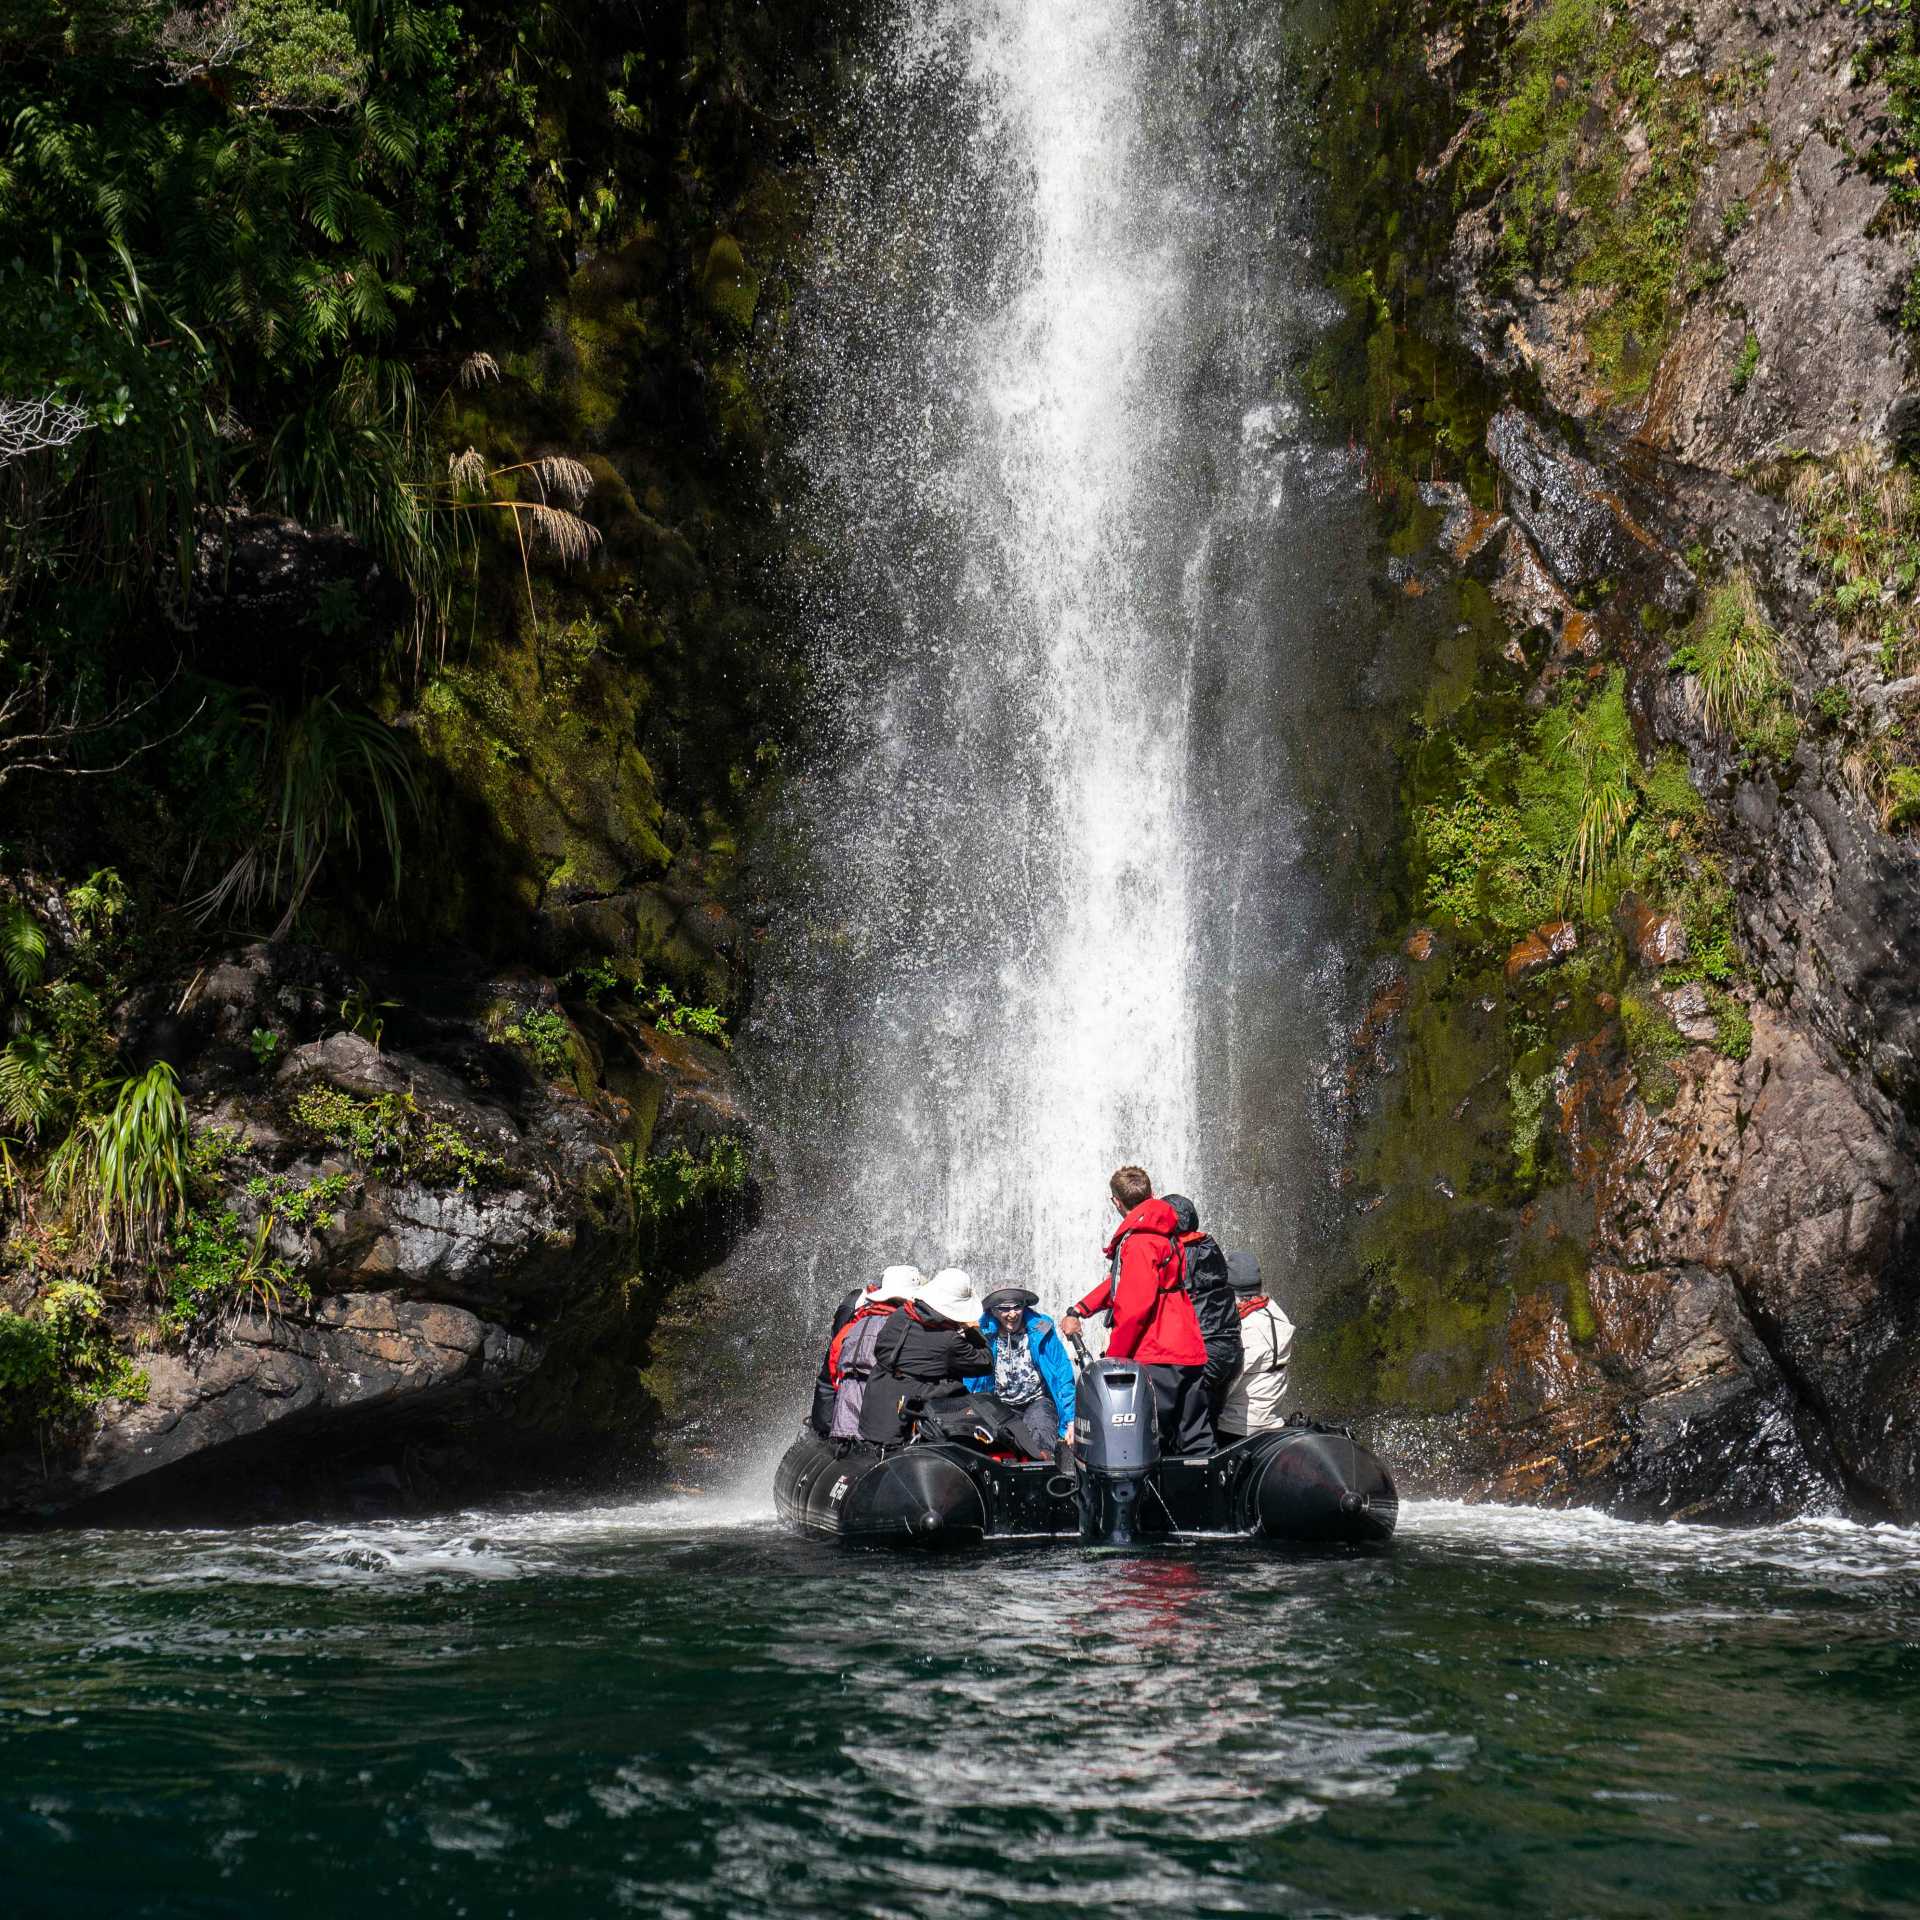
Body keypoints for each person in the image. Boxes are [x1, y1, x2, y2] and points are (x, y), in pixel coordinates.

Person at [1060, 1165, 1213, 1457]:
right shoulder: (1165, 1231)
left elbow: (1135, 1307)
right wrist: (1082, 1308)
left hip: (1157, 1353)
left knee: (1151, 1441)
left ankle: (1151, 1503)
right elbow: (1126, 1283)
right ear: (1151, 1193)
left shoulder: (1140, 1241)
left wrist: (1117, 1359)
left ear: (1116, 1202)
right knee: (1195, 1439)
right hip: (1186, 1346)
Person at [858, 1268, 992, 1445]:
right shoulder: (949, 1340)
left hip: (876, 1410)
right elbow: (986, 1362)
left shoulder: (899, 1315)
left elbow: (882, 1350)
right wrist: (973, 1330)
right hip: (909, 1420)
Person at [964, 1286, 1077, 1469]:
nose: (1012, 1314)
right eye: (1004, 1309)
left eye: (1016, 1307)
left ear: (1024, 1306)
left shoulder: (1042, 1330)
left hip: (1037, 1400)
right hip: (997, 1403)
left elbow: (1062, 1374)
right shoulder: (982, 1333)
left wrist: (1071, 1420)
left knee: (1041, 1436)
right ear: (993, 1310)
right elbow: (970, 1377)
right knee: (990, 1443)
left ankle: (1039, 1479)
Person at [810, 1265, 923, 1436]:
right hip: (875, 1429)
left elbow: (830, 1376)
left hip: (842, 1422)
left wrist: (824, 1427)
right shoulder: (904, 1330)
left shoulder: (853, 1323)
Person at [1162, 1193, 1244, 1426]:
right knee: (1206, 1422)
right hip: (1230, 1353)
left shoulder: (1181, 1253)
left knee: (1183, 1427)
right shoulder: (1208, 1246)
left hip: (1203, 1354)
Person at [1214, 1250, 1295, 1443]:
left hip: (1236, 1427)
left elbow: (1223, 1384)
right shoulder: (1276, 1313)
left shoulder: (1245, 1328)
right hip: (1272, 1423)